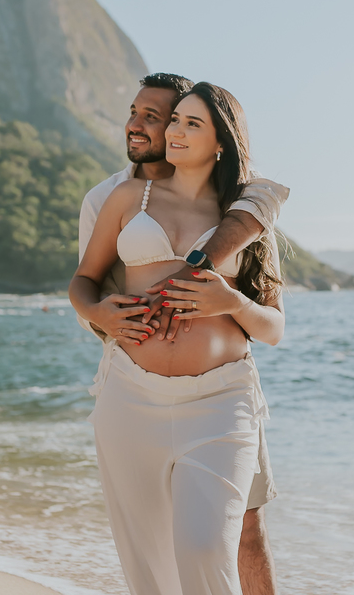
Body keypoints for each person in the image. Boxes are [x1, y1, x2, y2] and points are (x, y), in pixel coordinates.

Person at [71, 81, 285, 595]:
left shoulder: (247, 216)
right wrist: (102, 313)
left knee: (208, 549)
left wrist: (231, 302)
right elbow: (83, 282)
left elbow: (274, 326)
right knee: (150, 570)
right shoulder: (120, 196)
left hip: (219, 401)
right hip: (130, 397)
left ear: (221, 142)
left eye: (189, 122)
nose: (170, 130)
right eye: (173, 121)